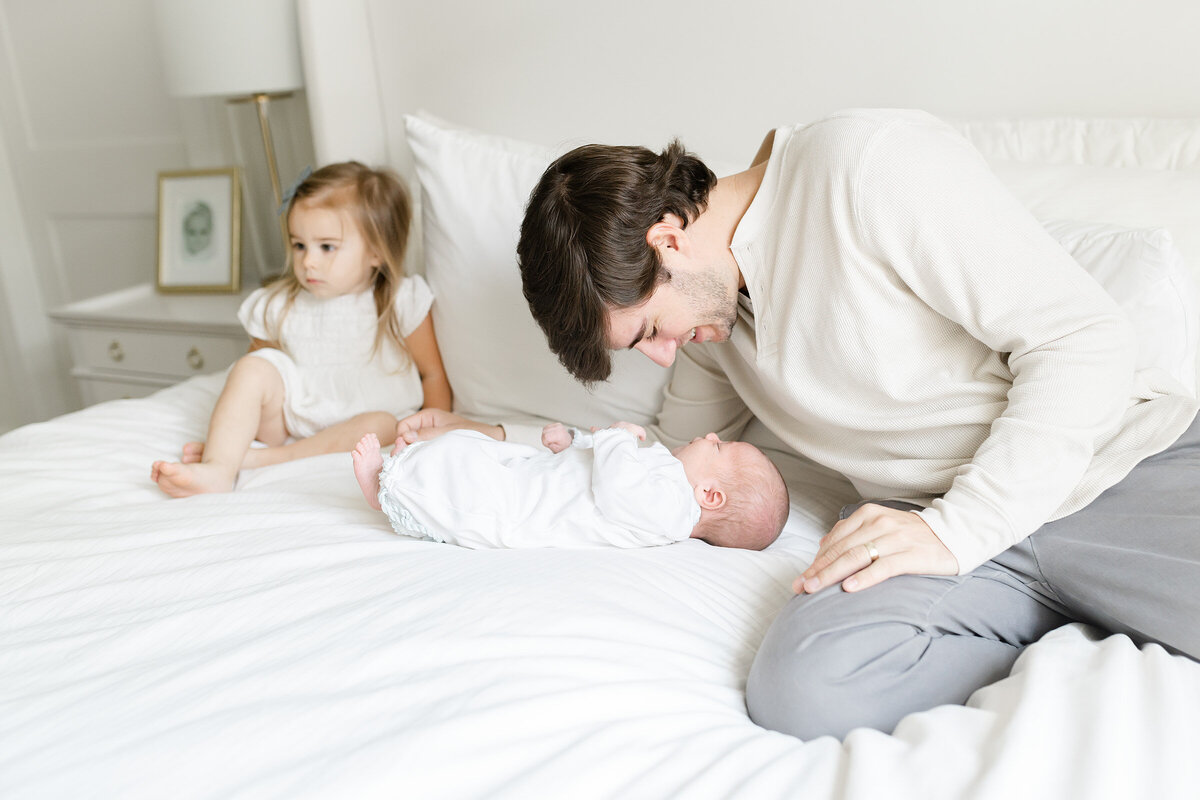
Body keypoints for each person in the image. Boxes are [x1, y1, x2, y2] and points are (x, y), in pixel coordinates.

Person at [400, 108, 1200, 740]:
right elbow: (664, 464)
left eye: (648, 330)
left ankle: (1098, 596)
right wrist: (489, 444)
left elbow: (1081, 342)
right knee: (804, 689)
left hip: (1112, 471)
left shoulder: (862, 167)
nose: (662, 355)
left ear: (667, 238)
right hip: (950, 541)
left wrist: (964, 529)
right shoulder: (716, 326)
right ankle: (1056, 616)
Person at [152, 161, 452, 497]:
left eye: (327, 247)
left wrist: (436, 429)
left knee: (380, 424)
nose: (308, 261)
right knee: (251, 367)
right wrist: (239, 417)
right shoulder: (279, 303)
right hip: (290, 422)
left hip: (364, 428)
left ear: (376, 252)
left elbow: (432, 375)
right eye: (299, 245)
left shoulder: (399, 301)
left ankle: (257, 459)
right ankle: (219, 468)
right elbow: (257, 375)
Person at [350, 421, 789, 551]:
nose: (711, 436)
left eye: (720, 447)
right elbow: (604, 466)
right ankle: (406, 463)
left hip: (525, 506)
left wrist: (616, 436)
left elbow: (617, 488)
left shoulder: (673, 510)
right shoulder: (669, 476)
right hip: (538, 475)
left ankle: (385, 486)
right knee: (471, 449)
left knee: (466, 483)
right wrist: (577, 443)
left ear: (709, 495)